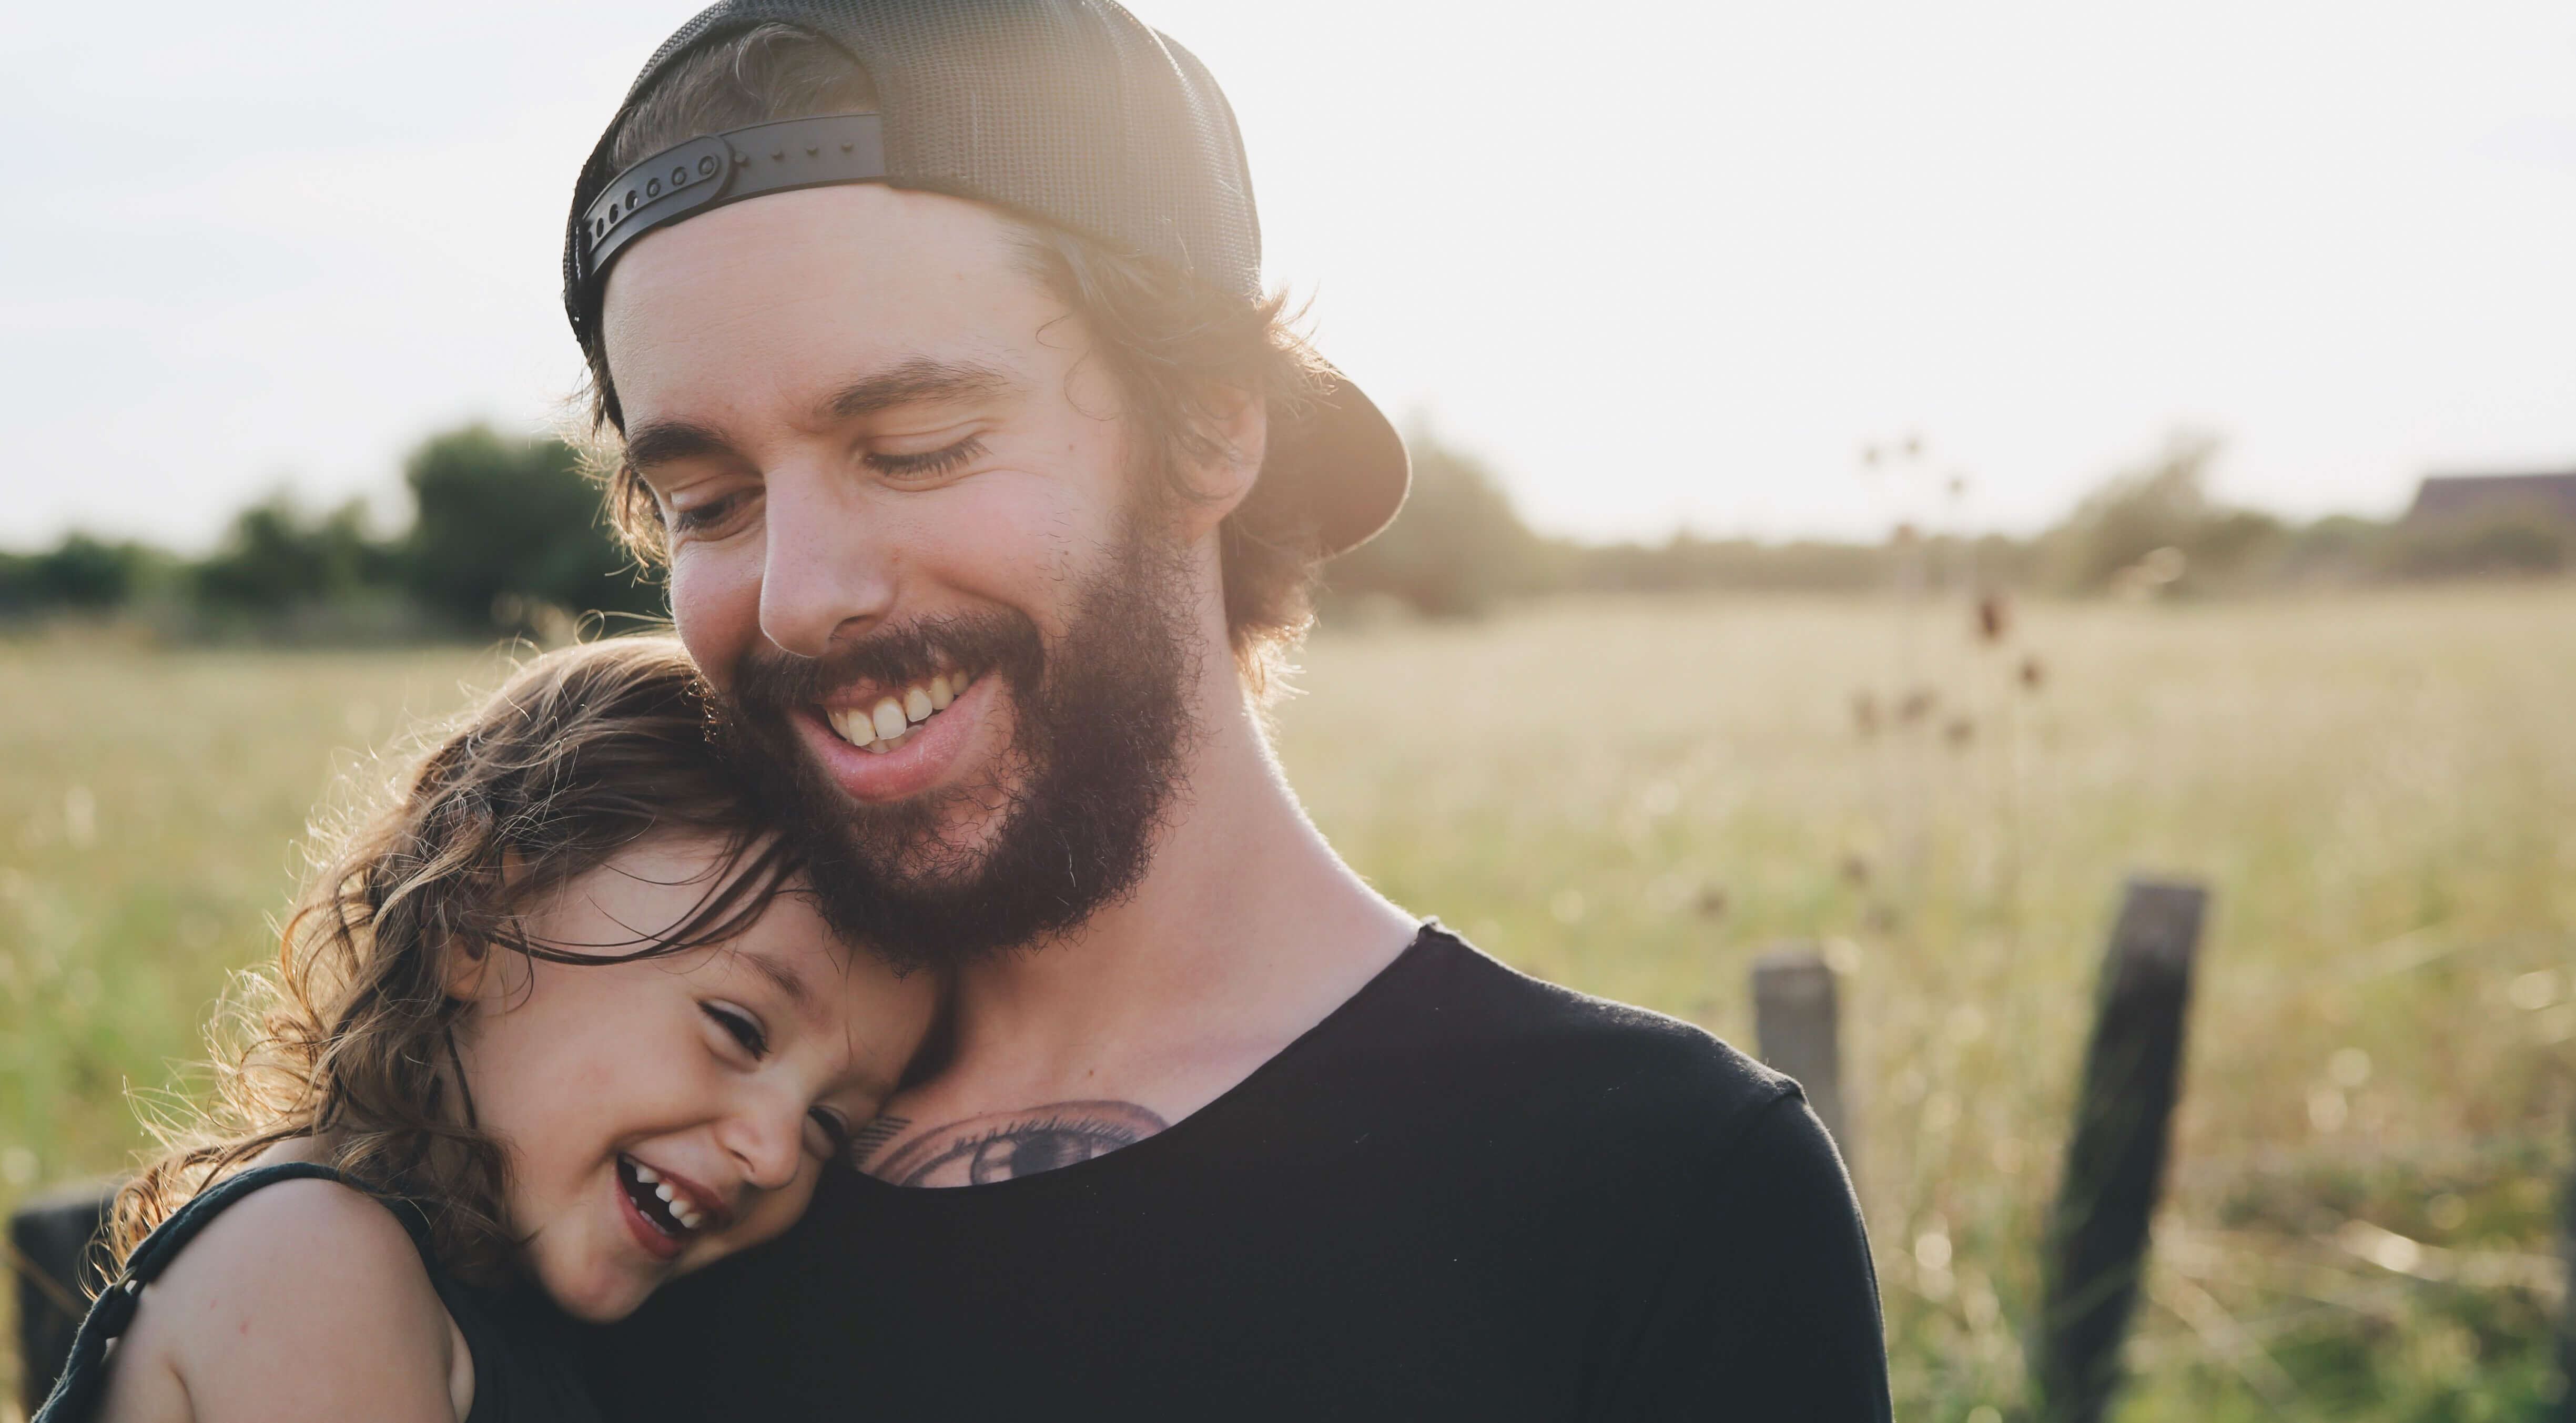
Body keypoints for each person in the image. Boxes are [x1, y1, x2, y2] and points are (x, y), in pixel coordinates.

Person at [569, 3, 1893, 1416]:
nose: (797, 597)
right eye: (708, 503)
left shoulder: (1658, 1196)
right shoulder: (641, 1185)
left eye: (915, 447)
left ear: (1209, 430)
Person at [35, 638, 939, 1423]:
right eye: (739, 1028)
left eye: (830, 1124)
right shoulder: (310, 1259)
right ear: (476, 918)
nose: (777, 1152)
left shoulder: (503, 1305)